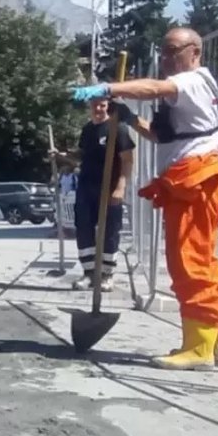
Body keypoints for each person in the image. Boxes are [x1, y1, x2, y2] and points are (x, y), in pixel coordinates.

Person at [72, 27, 218, 370]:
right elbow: (161, 136)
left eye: (173, 51)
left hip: (195, 182)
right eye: (163, 51)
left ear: (195, 52)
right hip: (196, 181)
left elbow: (155, 87)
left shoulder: (191, 81)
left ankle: (199, 347)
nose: (166, 59)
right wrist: (129, 118)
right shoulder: (188, 91)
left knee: (188, 262)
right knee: (204, 261)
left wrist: (108, 88)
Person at [57, 98, 135, 292]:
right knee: (83, 228)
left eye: (102, 105)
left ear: (108, 106)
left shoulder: (119, 129)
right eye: (94, 105)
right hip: (86, 187)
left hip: (109, 188)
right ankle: (89, 273)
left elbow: (128, 160)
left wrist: (120, 187)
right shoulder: (88, 130)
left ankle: (107, 275)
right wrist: (60, 155)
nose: (98, 109)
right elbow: (82, 156)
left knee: (109, 230)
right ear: (90, 107)